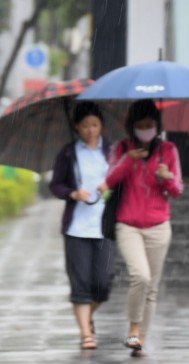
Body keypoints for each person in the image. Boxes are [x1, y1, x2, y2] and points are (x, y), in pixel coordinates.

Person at [101, 99, 183, 357]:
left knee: (152, 287)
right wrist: (128, 160)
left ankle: (140, 340)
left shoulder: (168, 150)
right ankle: (133, 328)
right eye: (140, 125)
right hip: (128, 224)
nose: (145, 130)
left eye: (149, 125)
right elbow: (109, 180)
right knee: (141, 276)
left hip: (159, 225)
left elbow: (177, 190)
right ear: (131, 127)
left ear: (157, 125)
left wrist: (167, 177)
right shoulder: (122, 148)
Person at [50, 101, 115, 350]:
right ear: (76, 126)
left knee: (103, 282)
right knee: (80, 282)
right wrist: (72, 193)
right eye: (85, 125)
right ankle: (86, 333)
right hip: (77, 227)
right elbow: (55, 185)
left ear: (101, 126)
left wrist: (111, 185)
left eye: (95, 125)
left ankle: (87, 316)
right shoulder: (68, 153)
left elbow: (122, 178)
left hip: (105, 224)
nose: (90, 130)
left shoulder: (111, 151)